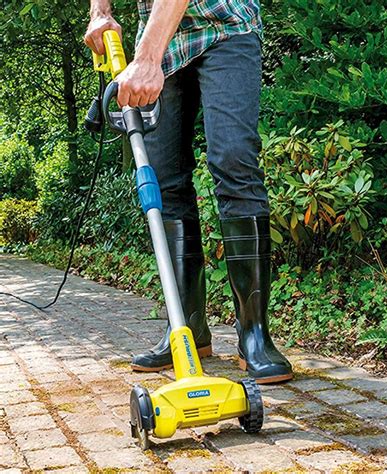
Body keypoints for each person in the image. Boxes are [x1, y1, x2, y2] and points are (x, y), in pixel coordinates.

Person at [84, 0, 292, 384]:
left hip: (226, 27)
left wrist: (145, 58)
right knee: (164, 179)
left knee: (234, 160)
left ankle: (254, 335)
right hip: (163, 40)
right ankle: (188, 330)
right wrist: (100, 13)